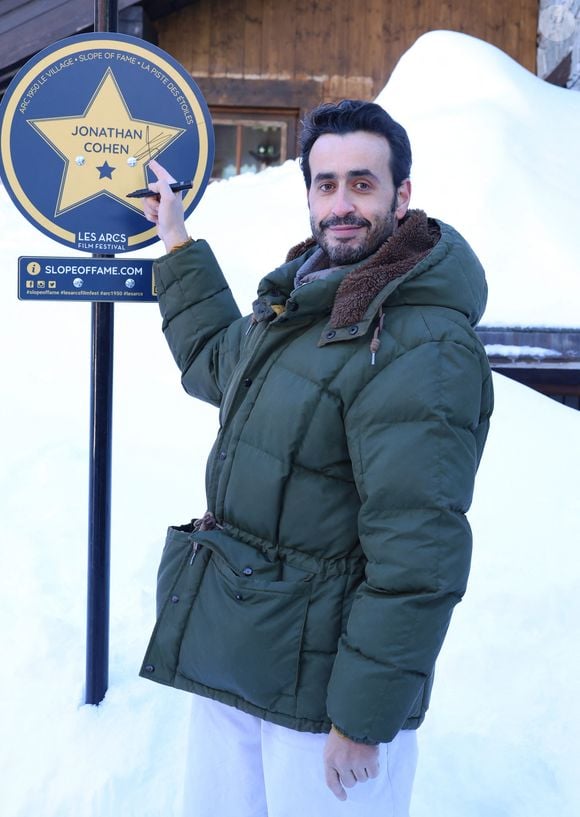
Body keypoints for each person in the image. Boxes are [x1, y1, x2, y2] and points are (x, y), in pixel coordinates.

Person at [140, 99, 493, 817]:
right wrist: (177, 245)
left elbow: (417, 554)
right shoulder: (307, 301)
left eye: (361, 184)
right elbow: (216, 361)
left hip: (324, 707)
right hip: (237, 661)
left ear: (402, 196)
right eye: (325, 184)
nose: (341, 204)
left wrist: (363, 720)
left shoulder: (421, 344)